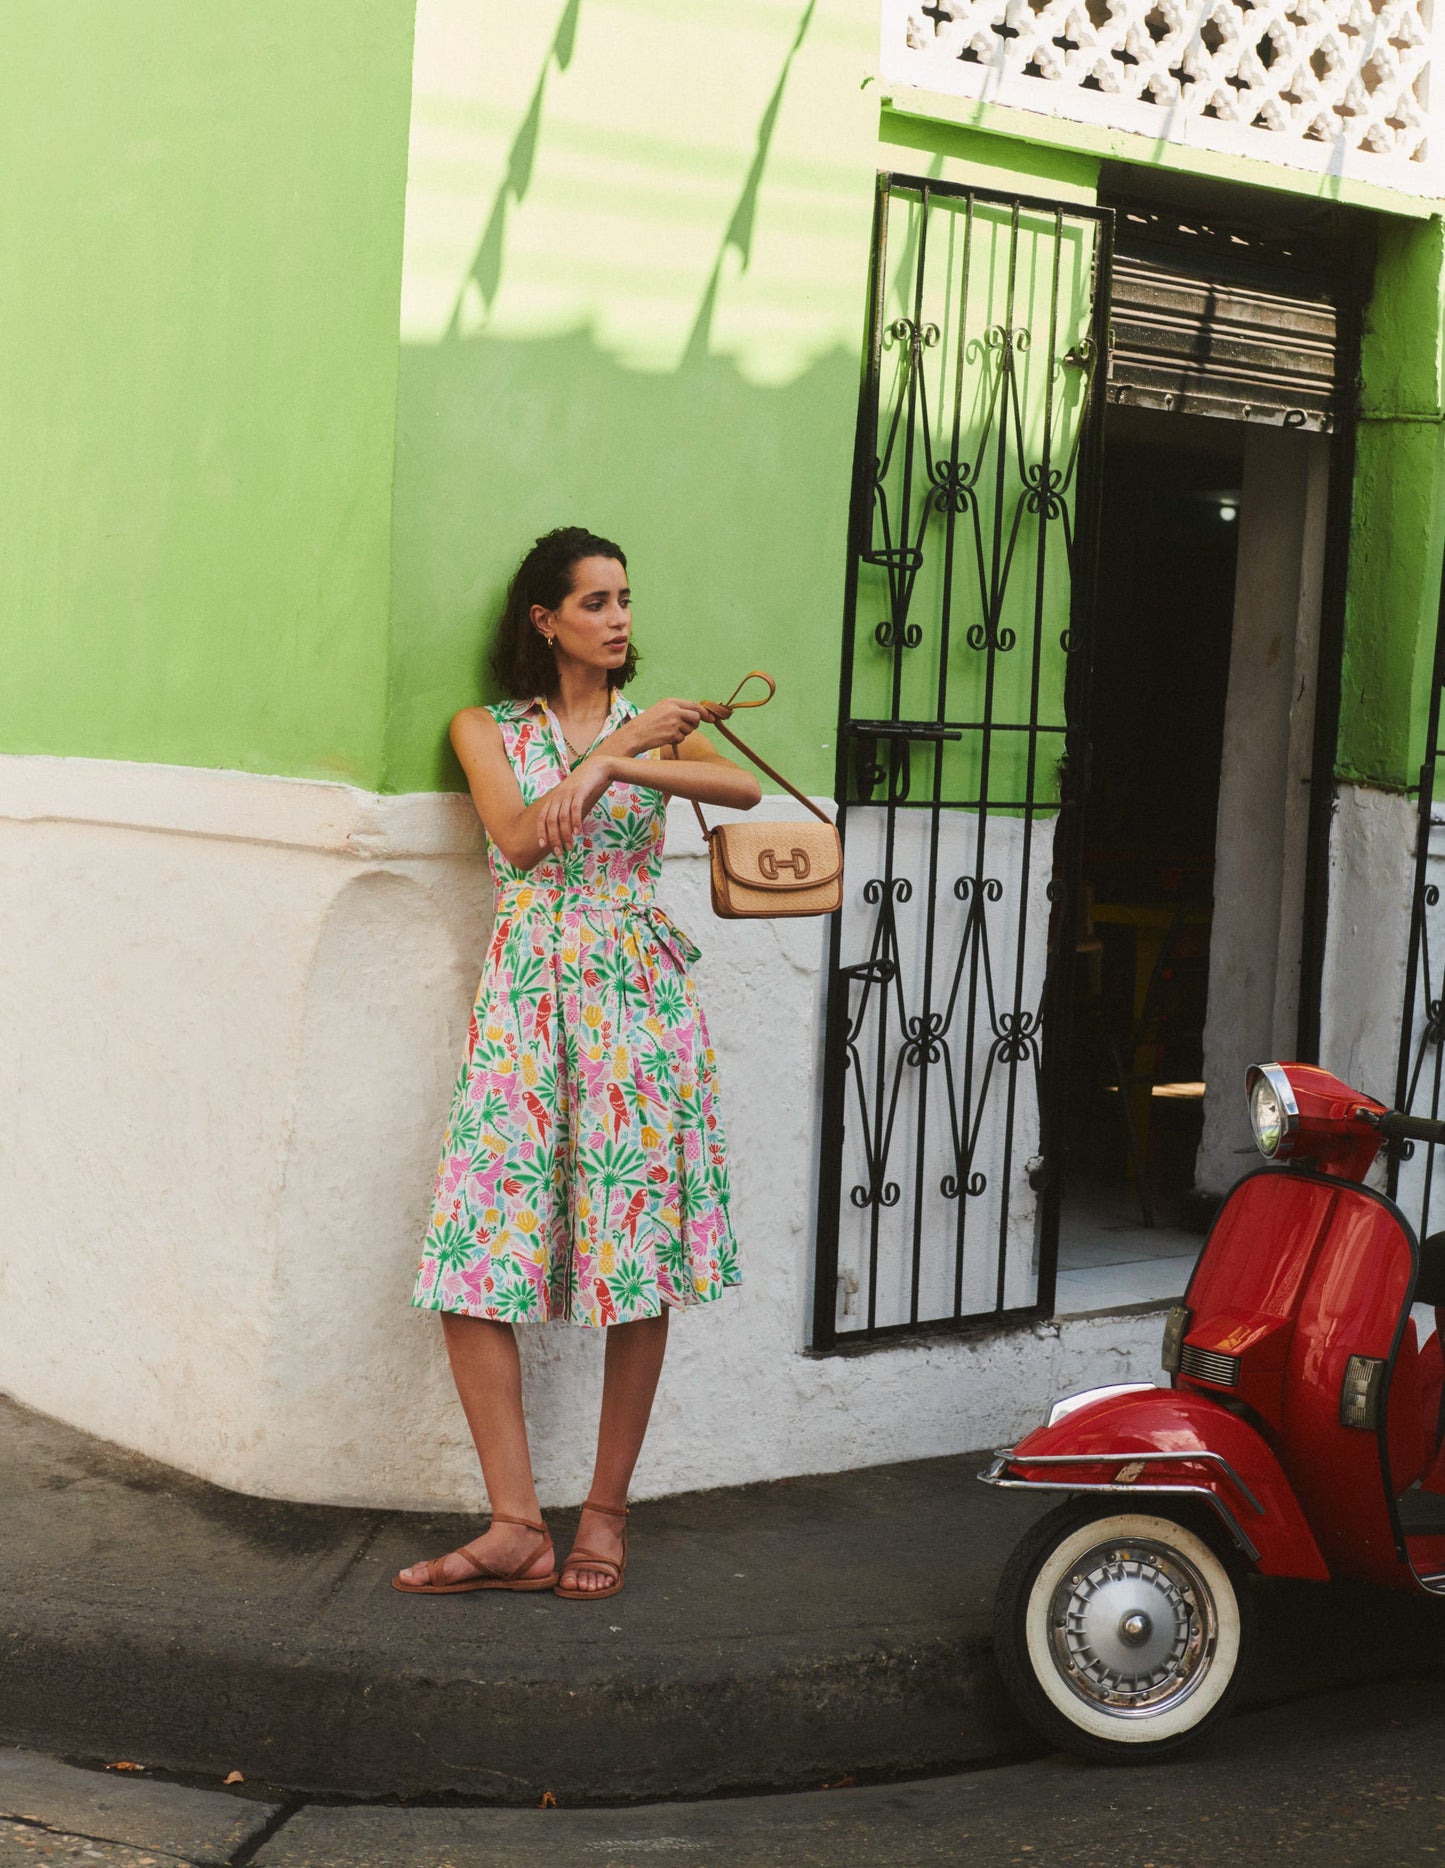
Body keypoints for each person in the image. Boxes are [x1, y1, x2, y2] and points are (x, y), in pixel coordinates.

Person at [395, 526, 761, 1602]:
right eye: (594, 601)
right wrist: (607, 756)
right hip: (524, 1002)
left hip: (634, 1005)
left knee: (634, 1256)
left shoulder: (662, 728)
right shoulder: (486, 727)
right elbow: (516, 838)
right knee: (473, 1255)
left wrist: (629, 748)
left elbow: (737, 795)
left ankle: (604, 1511)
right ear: (542, 619)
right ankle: (515, 1522)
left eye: (625, 599)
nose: (618, 618)